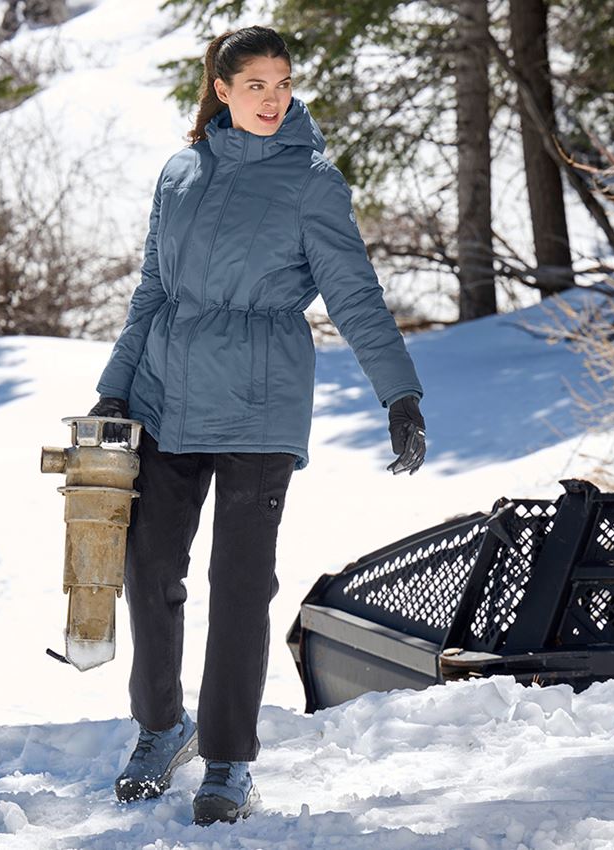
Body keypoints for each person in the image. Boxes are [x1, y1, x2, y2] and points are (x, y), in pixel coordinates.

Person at [87, 25, 426, 826]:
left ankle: (229, 757)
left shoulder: (312, 182)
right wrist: (113, 390)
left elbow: (355, 296)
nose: (273, 98)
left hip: (260, 403)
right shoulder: (180, 173)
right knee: (149, 568)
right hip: (165, 396)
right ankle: (162, 726)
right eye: (256, 85)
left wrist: (398, 393)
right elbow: (151, 294)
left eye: (283, 83)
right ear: (222, 88)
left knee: (240, 585)